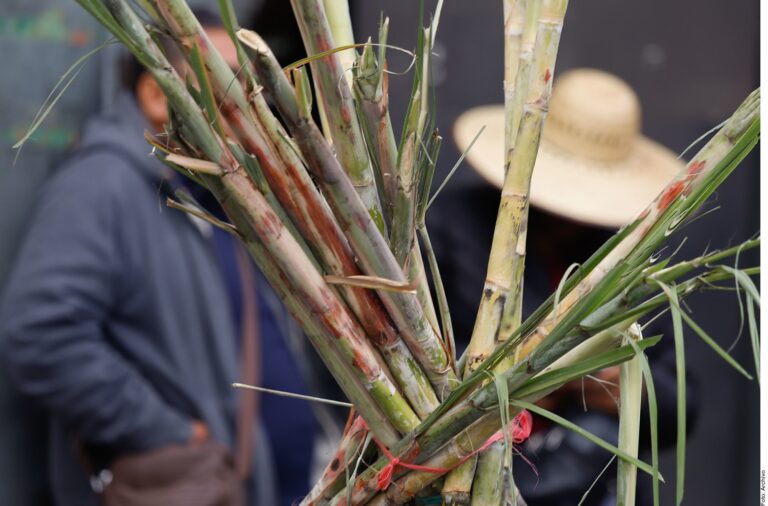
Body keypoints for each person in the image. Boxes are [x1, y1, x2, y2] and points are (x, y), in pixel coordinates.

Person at [0, 10, 336, 506]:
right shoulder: (102, 186)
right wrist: (172, 430)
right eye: (228, 86)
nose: (252, 108)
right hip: (192, 481)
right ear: (159, 96)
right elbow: (38, 330)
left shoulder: (209, 190)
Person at [430, 69, 697, 505]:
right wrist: (524, 383)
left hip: (592, 480)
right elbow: (415, 366)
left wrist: (624, 387)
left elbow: (680, 405)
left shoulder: (628, 254)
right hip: (470, 477)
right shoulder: (451, 227)